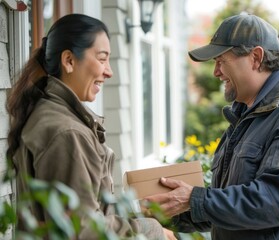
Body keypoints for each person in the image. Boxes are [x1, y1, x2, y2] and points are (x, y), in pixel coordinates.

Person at [145, 12, 279, 240]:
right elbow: (226, 208)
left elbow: (277, 202)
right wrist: (161, 212)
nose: (216, 72)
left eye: (221, 61)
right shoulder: (247, 117)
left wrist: (194, 198)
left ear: (256, 57)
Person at [6, 14, 174, 240]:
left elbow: (81, 211)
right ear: (69, 61)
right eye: (102, 59)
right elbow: (81, 229)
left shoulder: (51, 114)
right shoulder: (67, 132)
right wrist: (153, 231)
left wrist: (139, 211)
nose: (109, 71)